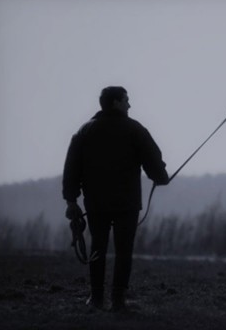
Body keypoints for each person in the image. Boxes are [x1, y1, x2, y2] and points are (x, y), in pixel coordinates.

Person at [62, 86, 169, 312]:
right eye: (126, 100)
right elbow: (153, 160)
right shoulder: (135, 130)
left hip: (96, 203)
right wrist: (161, 177)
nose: (129, 105)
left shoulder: (84, 132)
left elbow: (71, 169)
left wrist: (71, 200)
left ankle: (96, 297)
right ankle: (118, 299)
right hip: (127, 204)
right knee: (124, 250)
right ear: (115, 103)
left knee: (97, 246)